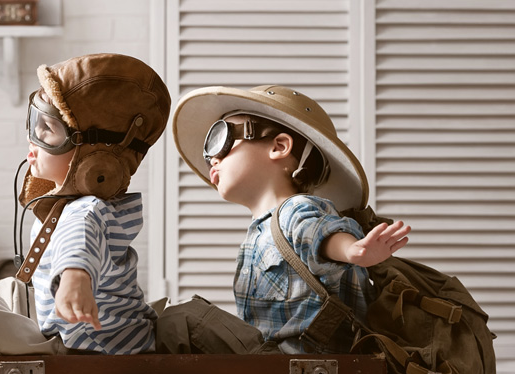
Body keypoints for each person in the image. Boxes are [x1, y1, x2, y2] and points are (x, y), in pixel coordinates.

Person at [0, 53, 171, 356]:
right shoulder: (69, 206)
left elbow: (80, 244)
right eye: (35, 123)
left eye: (48, 129)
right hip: (70, 332)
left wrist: (75, 279)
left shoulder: (86, 211)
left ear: (96, 160)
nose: (34, 140)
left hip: (92, 353)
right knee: (7, 290)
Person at [167, 85, 410, 354]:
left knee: (181, 319)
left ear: (279, 146)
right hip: (274, 363)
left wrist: (353, 250)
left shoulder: (295, 209)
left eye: (221, 140)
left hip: (301, 362)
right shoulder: (258, 234)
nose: (212, 158)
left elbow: (316, 233)